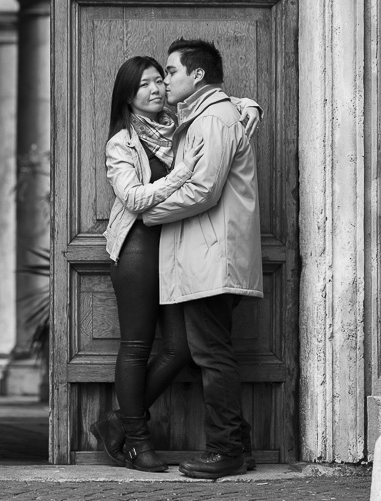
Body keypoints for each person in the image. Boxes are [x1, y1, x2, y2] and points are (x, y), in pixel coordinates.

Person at [90, 55, 260, 473]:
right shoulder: (122, 143)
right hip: (137, 246)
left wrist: (250, 103)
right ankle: (136, 439)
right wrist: (181, 173)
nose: (155, 89)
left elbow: (219, 106)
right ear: (127, 96)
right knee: (136, 346)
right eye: (144, 85)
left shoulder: (181, 123)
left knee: (181, 346)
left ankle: (117, 422)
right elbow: (133, 199)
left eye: (158, 81)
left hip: (176, 247)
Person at [141, 38, 264, 479]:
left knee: (212, 356)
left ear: (197, 76)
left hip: (215, 258)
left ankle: (225, 450)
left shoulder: (213, 119)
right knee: (214, 351)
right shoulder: (208, 115)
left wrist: (149, 212)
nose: (165, 78)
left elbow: (202, 190)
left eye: (171, 71)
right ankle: (239, 446)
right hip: (211, 256)